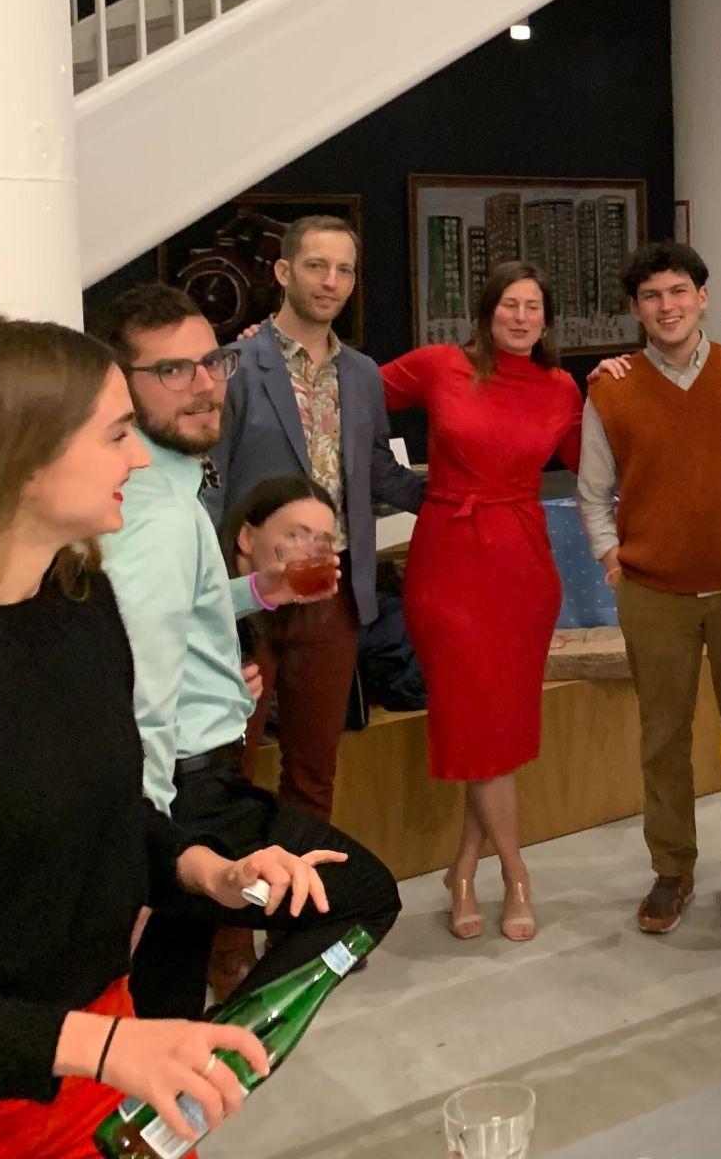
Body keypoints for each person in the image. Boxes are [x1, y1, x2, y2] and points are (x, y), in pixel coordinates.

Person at [0, 315, 346, 1158]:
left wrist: (213, 872)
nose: (137, 459)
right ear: (22, 453)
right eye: (115, 434)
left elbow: (111, 816)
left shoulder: (78, 606)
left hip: (99, 1052)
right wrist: (98, 1045)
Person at [91, 286, 402, 1020]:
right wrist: (145, 850)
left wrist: (259, 591)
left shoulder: (162, 488)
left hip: (183, 784)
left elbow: (172, 613)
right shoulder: (157, 515)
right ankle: (231, 1056)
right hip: (180, 794)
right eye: (173, 371)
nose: (204, 385)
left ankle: (183, 1071)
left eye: (212, 362)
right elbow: (139, 692)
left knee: (160, 1003)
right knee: (361, 898)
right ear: (119, 384)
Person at [576, 242, 721, 935]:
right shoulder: (611, 389)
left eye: (678, 292)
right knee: (662, 738)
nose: (667, 306)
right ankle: (672, 868)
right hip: (653, 593)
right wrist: (610, 555)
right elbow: (593, 490)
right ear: (636, 310)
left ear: (702, 298)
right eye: (652, 296)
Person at [381, 262, 584, 942]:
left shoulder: (560, 388)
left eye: (533, 307)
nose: (521, 318)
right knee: (477, 725)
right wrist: (396, 486)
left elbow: (596, 459)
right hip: (449, 564)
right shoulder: (441, 365)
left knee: (495, 732)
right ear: (487, 312)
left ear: (546, 319)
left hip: (522, 570)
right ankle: (517, 874)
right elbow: (346, 393)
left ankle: (464, 870)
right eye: (509, 305)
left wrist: (623, 383)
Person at [214, 215, 427, 822]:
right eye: (316, 266)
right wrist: (214, 585)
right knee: (227, 766)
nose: (330, 281)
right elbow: (210, 484)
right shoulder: (232, 367)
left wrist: (458, 500)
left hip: (332, 592)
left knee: (313, 772)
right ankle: (231, 884)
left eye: (344, 270)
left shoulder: (361, 373)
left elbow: (377, 469)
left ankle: (303, 884)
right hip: (246, 600)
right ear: (284, 272)